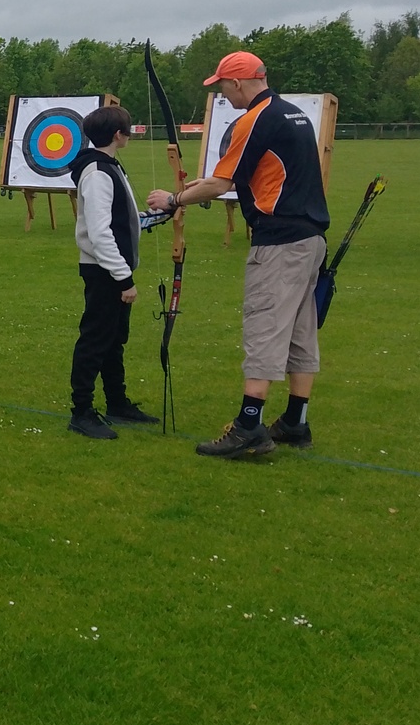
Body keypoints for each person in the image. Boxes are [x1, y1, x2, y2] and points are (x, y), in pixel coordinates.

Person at [146, 51, 330, 459]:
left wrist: (174, 199)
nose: (223, 95)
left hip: (280, 242)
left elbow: (221, 184)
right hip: (309, 238)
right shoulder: (290, 114)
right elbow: (248, 174)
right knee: (300, 330)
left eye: (223, 87)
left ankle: (249, 426)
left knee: (265, 325)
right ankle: (295, 422)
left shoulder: (254, 119)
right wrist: (200, 185)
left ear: (240, 83)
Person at [66, 104, 159, 439]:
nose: (129, 134)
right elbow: (100, 232)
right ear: (118, 135)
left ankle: (117, 403)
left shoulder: (107, 167)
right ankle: (82, 412)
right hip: (104, 271)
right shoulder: (97, 173)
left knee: (114, 340)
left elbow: (122, 221)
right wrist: (124, 278)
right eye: (127, 130)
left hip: (111, 267)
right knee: (95, 340)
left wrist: (162, 212)